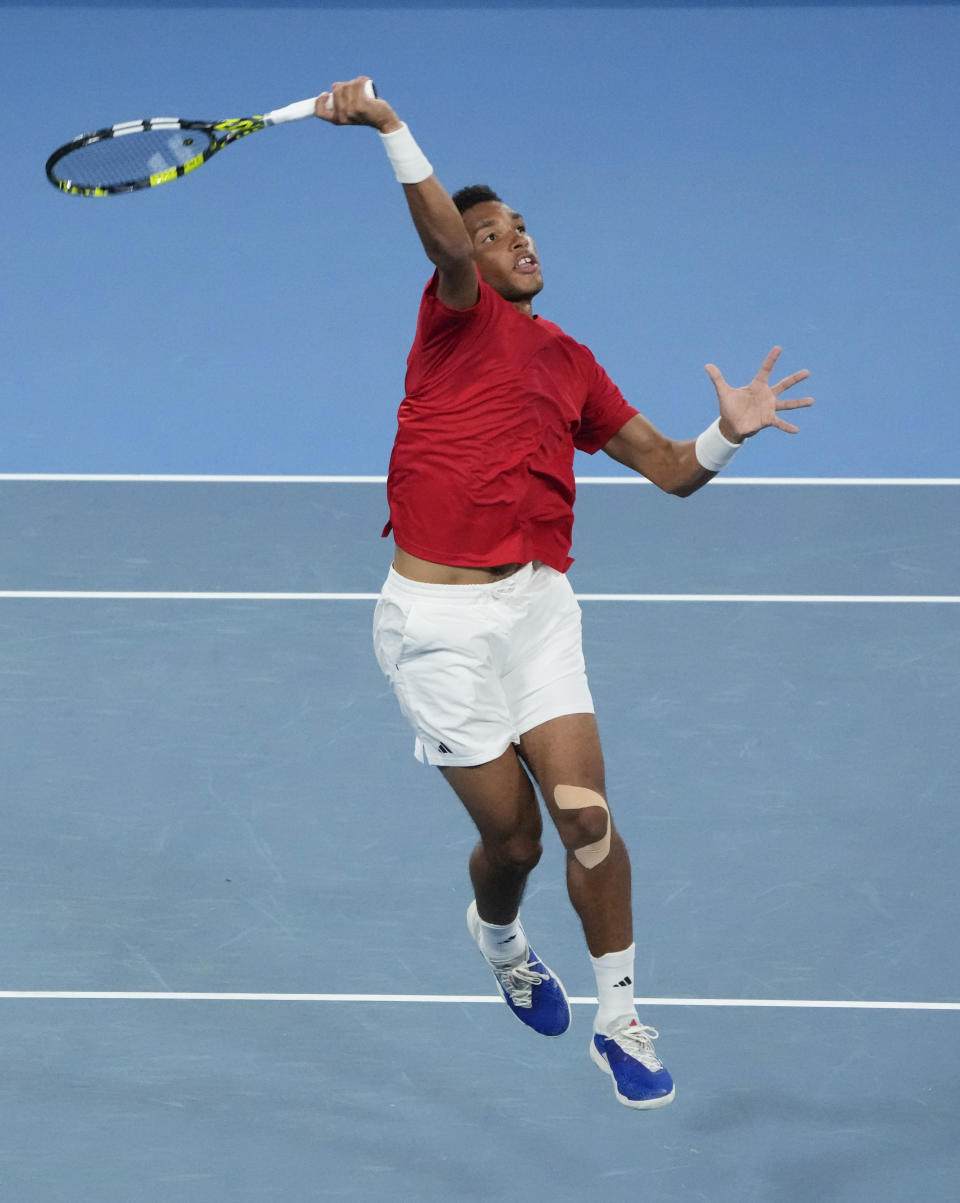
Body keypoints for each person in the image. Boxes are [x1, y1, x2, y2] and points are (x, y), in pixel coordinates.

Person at [316, 77, 813, 1110]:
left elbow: (674, 471)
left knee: (586, 817)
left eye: (524, 229)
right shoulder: (453, 320)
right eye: (497, 233)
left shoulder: (570, 362)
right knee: (516, 841)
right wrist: (389, 125)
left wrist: (729, 430)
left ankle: (619, 1018)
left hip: (538, 608)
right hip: (439, 626)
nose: (518, 243)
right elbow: (445, 249)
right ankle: (498, 936)